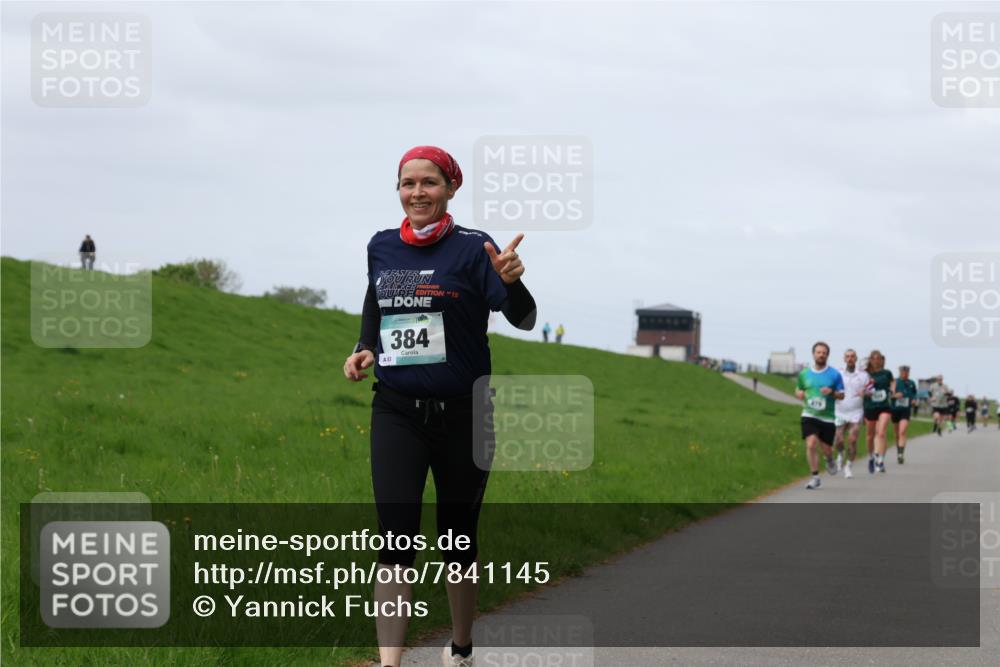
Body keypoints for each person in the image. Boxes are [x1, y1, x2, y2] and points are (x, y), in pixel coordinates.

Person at [342, 146, 537, 667]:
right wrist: (365, 345)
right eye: (408, 183)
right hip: (397, 410)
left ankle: (462, 647)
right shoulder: (381, 247)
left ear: (451, 188)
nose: (417, 193)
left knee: (457, 540)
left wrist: (514, 284)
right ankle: (391, 663)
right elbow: (374, 302)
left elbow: (523, 318)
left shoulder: (476, 248)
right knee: (395, 539)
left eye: (429, 182)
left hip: (465, 415)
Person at [795, 341, 845, 490]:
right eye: (819, 352)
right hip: (809, 415)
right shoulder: (804, 374)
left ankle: (829, 459)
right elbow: (798, 389)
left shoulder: (834, 374)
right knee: (810, 443)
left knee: (827, 449)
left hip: (828, 417)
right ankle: (815, 477)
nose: (821, 355)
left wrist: (832, 392)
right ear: (813, 354)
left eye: (824, 353)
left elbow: (842, 395)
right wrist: (799, 394)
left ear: (827, 355)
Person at [834, 348, 868, 479]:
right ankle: (841, 454)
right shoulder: (838, 373)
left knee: (852, 440)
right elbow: (831, 388)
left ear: (856, 358)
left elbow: (871, 389)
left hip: (856, 412)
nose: (850, 359)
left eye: (852, 356)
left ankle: (848, 466)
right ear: (844, 359)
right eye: (847, 356)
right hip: (840, 411)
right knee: (839, 440)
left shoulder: (863, 375)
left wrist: (865, 393)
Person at [862, 350, 894, 474]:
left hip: (884, 405)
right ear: (870, 360)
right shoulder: (865, 374)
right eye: (873, 358)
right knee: (870, 435)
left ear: (882, 360)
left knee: (881, 433)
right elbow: (860, 387)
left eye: (878, 358)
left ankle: (879, 459)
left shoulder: (887, 373)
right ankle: (871, 457)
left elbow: (892, 382)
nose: (876, 360)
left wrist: (892, 390)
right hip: (870, 406)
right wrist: (866, 390)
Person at [891, 365, 917, 465]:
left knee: (902, 431)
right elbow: (889, 395)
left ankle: (901, 454)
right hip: (895, 409)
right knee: (897, 433)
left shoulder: (911, 383)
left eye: (906, 372)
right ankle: (898, 451)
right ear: (900, 372)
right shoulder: (894, 382)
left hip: (905, 410)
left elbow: (914, 393)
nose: (905, 373)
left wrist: (914, 400)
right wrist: (895, 395)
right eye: (903, 372)